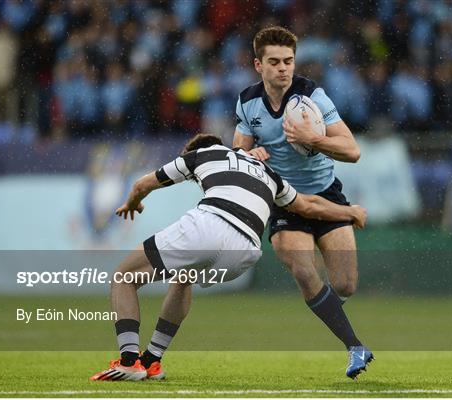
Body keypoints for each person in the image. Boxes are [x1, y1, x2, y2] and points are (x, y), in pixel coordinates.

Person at [90, 133, 367, 381]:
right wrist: (350, 212)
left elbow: (142, 183)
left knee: (123, 277)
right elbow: (309, 206)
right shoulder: (269, 173)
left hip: (211, 222)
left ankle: (128, 362)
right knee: (183, 279)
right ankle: (151, 361)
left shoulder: (200, 156)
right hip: (245, 250)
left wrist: (132, 203)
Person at [232, 26, 373, 378]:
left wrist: (314, 138)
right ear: (258, 65)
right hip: (283, 198)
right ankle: (355, 346)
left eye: (289, 61)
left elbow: (352, 151)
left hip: (325, 193)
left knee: (344, 285)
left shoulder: (314, 96)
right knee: (302, 269)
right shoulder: (248, 101)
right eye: (275, 62)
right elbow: (237, 150)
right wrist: (253, 154)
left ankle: (326, 308)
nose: (283, 68)